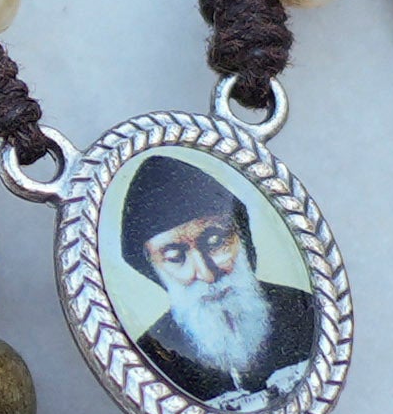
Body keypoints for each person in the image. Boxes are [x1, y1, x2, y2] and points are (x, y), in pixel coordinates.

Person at [115, 150, 300, 400]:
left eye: (215, 242)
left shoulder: (304, 313)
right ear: (155, 271)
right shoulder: (151, 357)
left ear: (243, 239)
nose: (206, 273)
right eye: (175, 257)